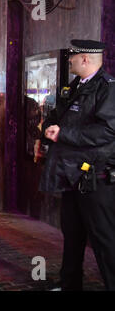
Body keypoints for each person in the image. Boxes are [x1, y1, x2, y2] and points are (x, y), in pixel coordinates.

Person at [39, 40, 115, 291]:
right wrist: (46, 130)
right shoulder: (75, 86)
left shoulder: (107, 88)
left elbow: (106, 130)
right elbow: (60, 115)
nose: (69, 60)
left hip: (95, 176)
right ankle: (70, 283)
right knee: (72, 234)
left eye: (73, 56)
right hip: (72, 174)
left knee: (104, 238)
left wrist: (63, 134)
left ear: (85, 59)